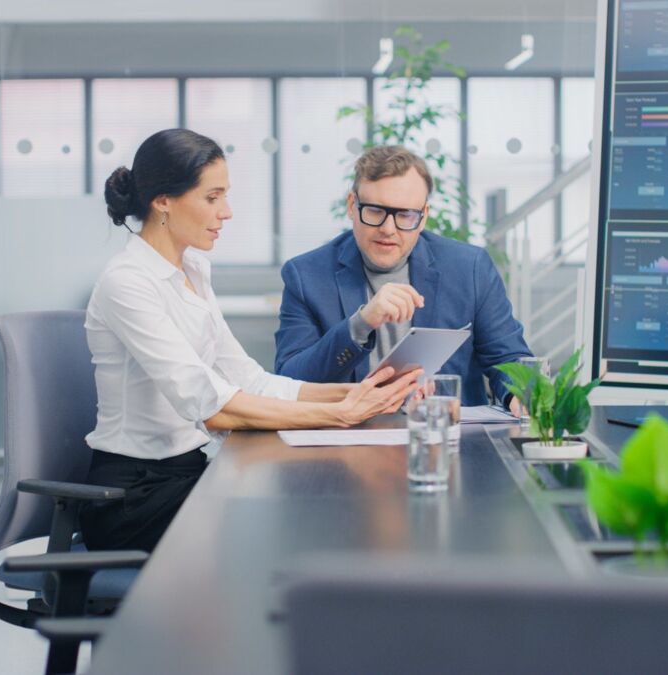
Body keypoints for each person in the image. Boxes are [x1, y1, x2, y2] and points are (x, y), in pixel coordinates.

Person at [80, 129, 419, 552]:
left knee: (314, 495)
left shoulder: (194, 271)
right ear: (162, 200)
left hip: (191, 472)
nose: (227, 212)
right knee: (293, 512)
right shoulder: (126, 282)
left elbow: (251, 381)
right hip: (135, 498)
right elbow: (209, 404)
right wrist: (341, 416)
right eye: (212, 197)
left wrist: (359, 393)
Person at [274, 145, 532, 411]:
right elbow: (289, 382)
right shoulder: (306, 275)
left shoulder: (470, 268)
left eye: (405, 215)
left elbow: (509, 357)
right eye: (375, 211)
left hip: (447, 436)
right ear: (352, 206)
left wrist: (521, 399)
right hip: (348, 439)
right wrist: (360, 325)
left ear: (423, 217)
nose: (388, 229)